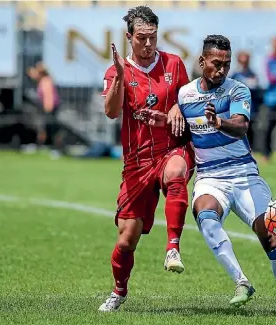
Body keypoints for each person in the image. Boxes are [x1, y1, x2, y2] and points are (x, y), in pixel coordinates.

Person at [144, 35, 276, 314]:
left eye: (226, 65)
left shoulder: (238, 91)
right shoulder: (186, 95)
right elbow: (176, 122)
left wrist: (219, 121)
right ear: (202, 61)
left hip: (243, 173)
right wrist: (166, 116)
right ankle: (241, 281)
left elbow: (241, 126)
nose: (221, 70)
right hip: (209, 176)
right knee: (205, 215)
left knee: (271, 238)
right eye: (216, 64)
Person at [98, 6, 195, 312]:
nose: (148, 44)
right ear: (129, 37)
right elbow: (112, 112)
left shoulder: (174, 64)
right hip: (136, 163)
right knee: (127, 239)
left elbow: (189, 101)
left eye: (153, 37)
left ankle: (173, 248)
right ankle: (119, 291)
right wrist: (119, 80)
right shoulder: (117, 71)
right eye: (142, 38)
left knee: (177, 171)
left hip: (171, 149)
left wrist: (179, 108)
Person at [27, 62, 62, 159]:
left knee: (52, 129)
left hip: (50, 108)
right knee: (44, 129)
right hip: (49, 108)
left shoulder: (46, 81)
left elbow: (49, 96)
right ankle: (41, 146)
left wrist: (48, 109)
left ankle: (56, 149)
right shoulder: (44, 79)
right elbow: (33, 74)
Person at [231, 51, 260, 149]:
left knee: (250, 130)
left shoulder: (252, 74)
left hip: (250, 108)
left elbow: (255, 89)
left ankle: (250, 149)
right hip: (237, 109)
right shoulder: (234, 75)